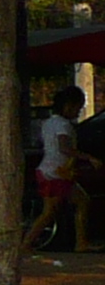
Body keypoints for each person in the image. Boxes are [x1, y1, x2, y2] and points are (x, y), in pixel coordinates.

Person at [26, 86, 90, 255]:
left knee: (82, 201)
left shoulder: (48, 123)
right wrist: (88, 157)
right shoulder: (62, 125)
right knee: (49, 212)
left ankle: (81, 242)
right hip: (55, 173)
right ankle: (26, 243)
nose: (78, 112)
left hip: (57, 172)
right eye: (78, 108)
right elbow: (64, 148)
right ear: (68, 106)